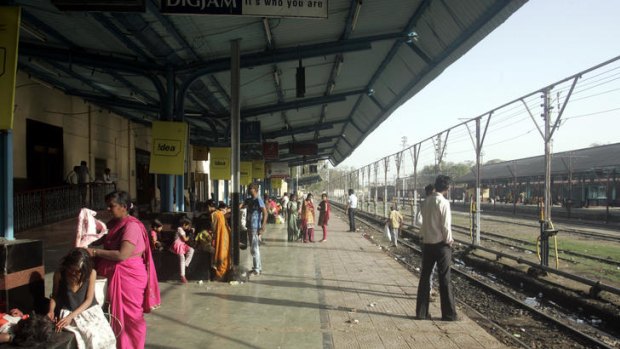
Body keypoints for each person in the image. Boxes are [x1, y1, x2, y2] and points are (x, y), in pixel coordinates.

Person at [87, 190, 161, 349]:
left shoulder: (132, 226)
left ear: (124, 206)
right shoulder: (113, 223)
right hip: (115, 275)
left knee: (131, 320)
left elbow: (122, 254)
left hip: (129, 278)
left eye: (111, 206)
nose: (108, 209)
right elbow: (96, 238)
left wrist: (95, 252)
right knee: (114, 317)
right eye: (107, 206)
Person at [48, 248, 116, 348]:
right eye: (71, 270)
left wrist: (71, 316)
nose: (74, 274)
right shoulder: (59, 274)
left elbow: (89, 300)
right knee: (82, 338)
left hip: (87, 310)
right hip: (67, 311)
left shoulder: (91, 273)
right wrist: (51, 311)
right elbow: (55, 296)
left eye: (78, 272)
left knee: (102, 336)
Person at [416, 175, 458, 321]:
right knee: (444, 278)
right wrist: (449, 241)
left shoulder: (425, 202)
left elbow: (423, 223)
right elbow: (446, 226)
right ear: (447, 188)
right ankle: (449, 314)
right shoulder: (444, 202)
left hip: (427, 245)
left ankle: (421, 313)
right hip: (441, 245)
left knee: (425, 278)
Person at [245, 183, 267, 276]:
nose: (249, 190)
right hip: (249, 226)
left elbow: (265, 213)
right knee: (253, 248)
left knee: (255, 248)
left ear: (255, 189)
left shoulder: (259, 200)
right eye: (248, 188)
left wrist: (263, 226)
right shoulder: (249, 200)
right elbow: (240, 206)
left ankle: (257, 269)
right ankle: (257, 267)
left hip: (255, 227)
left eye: (251, 189)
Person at [211, 202, 232, 281]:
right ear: (223, 209)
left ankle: (221, 273)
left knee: (221, 254)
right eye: (226, 209)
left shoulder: (216, 214)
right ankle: (222, 273)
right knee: (223, 255)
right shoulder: (218, 214)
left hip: (222, 238)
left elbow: (213, 226)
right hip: (223, 239)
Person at [172, 217, 195, 283]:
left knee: (191, 250)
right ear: (184, 224)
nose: (188, 227)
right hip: (178, 245)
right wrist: (190, 233)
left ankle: (185, 264)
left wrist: (190, 231)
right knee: (182, 258)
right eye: (188, 225)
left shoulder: (182, 229)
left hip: (182, 245)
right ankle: (182, 276)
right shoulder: (180, 229)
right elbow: (185, 239)